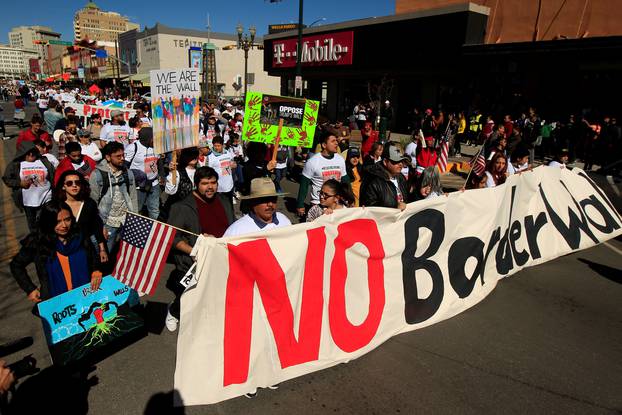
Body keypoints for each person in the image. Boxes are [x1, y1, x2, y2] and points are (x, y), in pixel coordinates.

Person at [165, 166, 235, 332]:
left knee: (216, 291)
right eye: (205, 183)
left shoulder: (224, 201)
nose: (210, 187)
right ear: (196, 184)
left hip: (220, 256)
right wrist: (194, 250)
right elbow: (173, 238)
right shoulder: (182, 207)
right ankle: (174, 311)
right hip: (193, 261)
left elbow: (233, 226)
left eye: (213, 182)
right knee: (189, 293)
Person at [9, 200, 102, 303]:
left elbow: (93, 255)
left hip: (86, 296)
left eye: (67, 219)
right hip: (56, 306)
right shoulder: (38, 242)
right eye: (57, 222)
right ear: (48, 222)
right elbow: (16, 265)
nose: (64, 225)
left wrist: (96, 270)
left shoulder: (80, 235)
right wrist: (30, 289)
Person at [90, 142, 138, 254]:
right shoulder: (97, 175)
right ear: (107, 157)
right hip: (107, 223)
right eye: (118, 156)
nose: (122, 159)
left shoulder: (128, 173)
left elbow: (133, 197)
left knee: (123, 254)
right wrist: (100, 227)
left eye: (123, 155)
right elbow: (93, 203)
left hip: (125, 220)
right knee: (106, 253)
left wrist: (134, 218)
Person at [53, 170, 108, 265]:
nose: (74, 185)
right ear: (63, 186)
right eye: (69, 183)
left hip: (85, 249)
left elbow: (96, 227)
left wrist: (102, 249)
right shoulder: (57, 206)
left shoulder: (89, 204)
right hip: (63, 249)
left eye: (77, 182)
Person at [2, 142, 55, 231]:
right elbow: (7, 179)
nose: (31, 154)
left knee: (47, 224)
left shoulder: (44, 161)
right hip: (28, 202)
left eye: (33, 152)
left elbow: (53, 175)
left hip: (46, 199)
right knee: (33, 226)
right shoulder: (16, 164)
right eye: (28, 153)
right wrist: (19, 183)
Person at [296, 133, 349, 217]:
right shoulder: (312, 162)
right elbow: (304, 185)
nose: (336, 143)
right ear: (324, 145)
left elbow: (346, 181)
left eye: (336, 141)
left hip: (336, 204)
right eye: (333, 141)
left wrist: (350, 199)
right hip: (318, 204)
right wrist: (300, 204)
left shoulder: (340, 159)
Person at [225, 177, 291, 237]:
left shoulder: (284, 220)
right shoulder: (236, 232)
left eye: (273, 199)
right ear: (252, 202)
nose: (270, 204)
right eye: (265, 199)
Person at [360, 141, 409, 210]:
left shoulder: (401, 178)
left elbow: (408, 201)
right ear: (385, 162)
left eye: (402, 160)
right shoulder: (372, 180)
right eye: (396, 161)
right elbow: (369, 210)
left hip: (401, 220)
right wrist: (395, 208)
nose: (400, 164)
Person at [125, 127, 160, 219]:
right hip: (138, 186)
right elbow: (124, 166)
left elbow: (159, 161)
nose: (155, 139)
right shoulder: (133, 148)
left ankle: (154, 230)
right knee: (137, 210)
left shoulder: (156, 146)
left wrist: (162, 176)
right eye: (153, 137)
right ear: (147, 138)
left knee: (154, 210)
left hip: (154, 184)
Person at [164, 147, 199, 216]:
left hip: (194, 210)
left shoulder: (199, 172)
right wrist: (171, 173)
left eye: (195, 155)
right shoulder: (178, 173)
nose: (194, 157)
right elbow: (170, 191)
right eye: (191, 155)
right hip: (179, 211)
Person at [208, 135, 236, 206]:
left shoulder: (227, 153)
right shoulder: (210, 156)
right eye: (215, 146)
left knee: (229, 206)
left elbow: (233, 162)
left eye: (218, 146)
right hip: (218, 188)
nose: (217, 148)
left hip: (229, 185)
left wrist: (234, 165)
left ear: (223, 145)